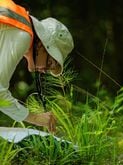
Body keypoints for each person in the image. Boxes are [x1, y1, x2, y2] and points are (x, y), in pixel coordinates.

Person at [0, 0, 74, 132]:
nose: (44, 70)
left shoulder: (18, 24)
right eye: (50, 63)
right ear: (42, 45)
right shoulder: (22, 36)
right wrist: (34, 118)